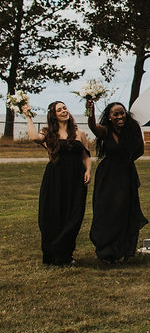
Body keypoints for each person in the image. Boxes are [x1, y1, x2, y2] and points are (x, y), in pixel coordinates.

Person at [23, 101, 91, 266]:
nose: (63, 111)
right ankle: (52, 254)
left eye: (65, 108)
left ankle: (66, 254)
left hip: (75, 179)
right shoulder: (48, 133)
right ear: (54, 114)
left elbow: (86, 155)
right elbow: (33, 137)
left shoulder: (79, 133)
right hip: (55, 178)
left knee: (73, 215)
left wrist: (88, 170)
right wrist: (28, 117)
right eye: (59, 109)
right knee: (52, 215)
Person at [86, 100, 147, 263]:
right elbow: (92, 126)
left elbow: (139, 150)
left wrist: (126, 161)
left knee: (124, 210)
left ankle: (123, 249)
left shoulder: (133, 128)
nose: (120, 116)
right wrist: (90, 111)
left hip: (126, 173)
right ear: (110, 117)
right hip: (108, 175)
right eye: (116, 114)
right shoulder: (105, 131)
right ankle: (106, 250)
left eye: (122, 113)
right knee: (107, 210)